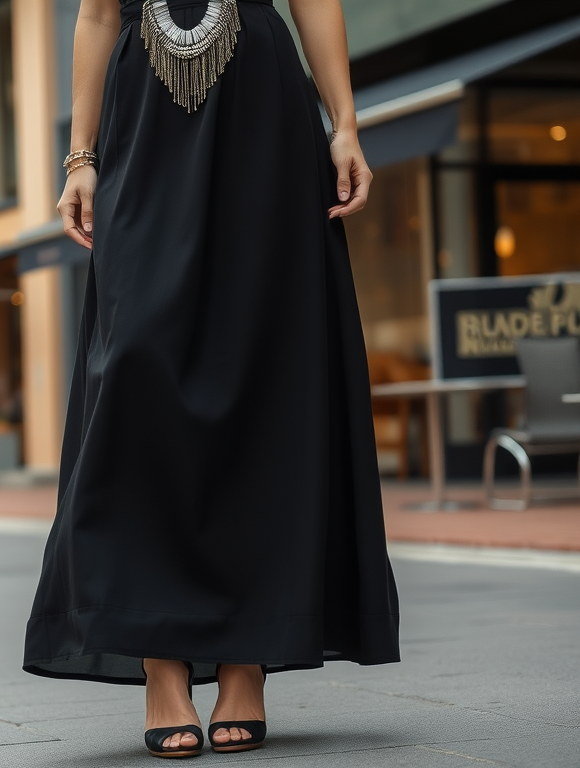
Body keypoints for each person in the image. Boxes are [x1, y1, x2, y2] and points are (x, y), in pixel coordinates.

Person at [24, 0, 400, 759]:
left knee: (266, 370)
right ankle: (161, 662)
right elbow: (96, 14)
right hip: (141, 121)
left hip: (262, 108)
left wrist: (346, 124)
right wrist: (80, 155)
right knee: (133, 372)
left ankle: (245, 657)